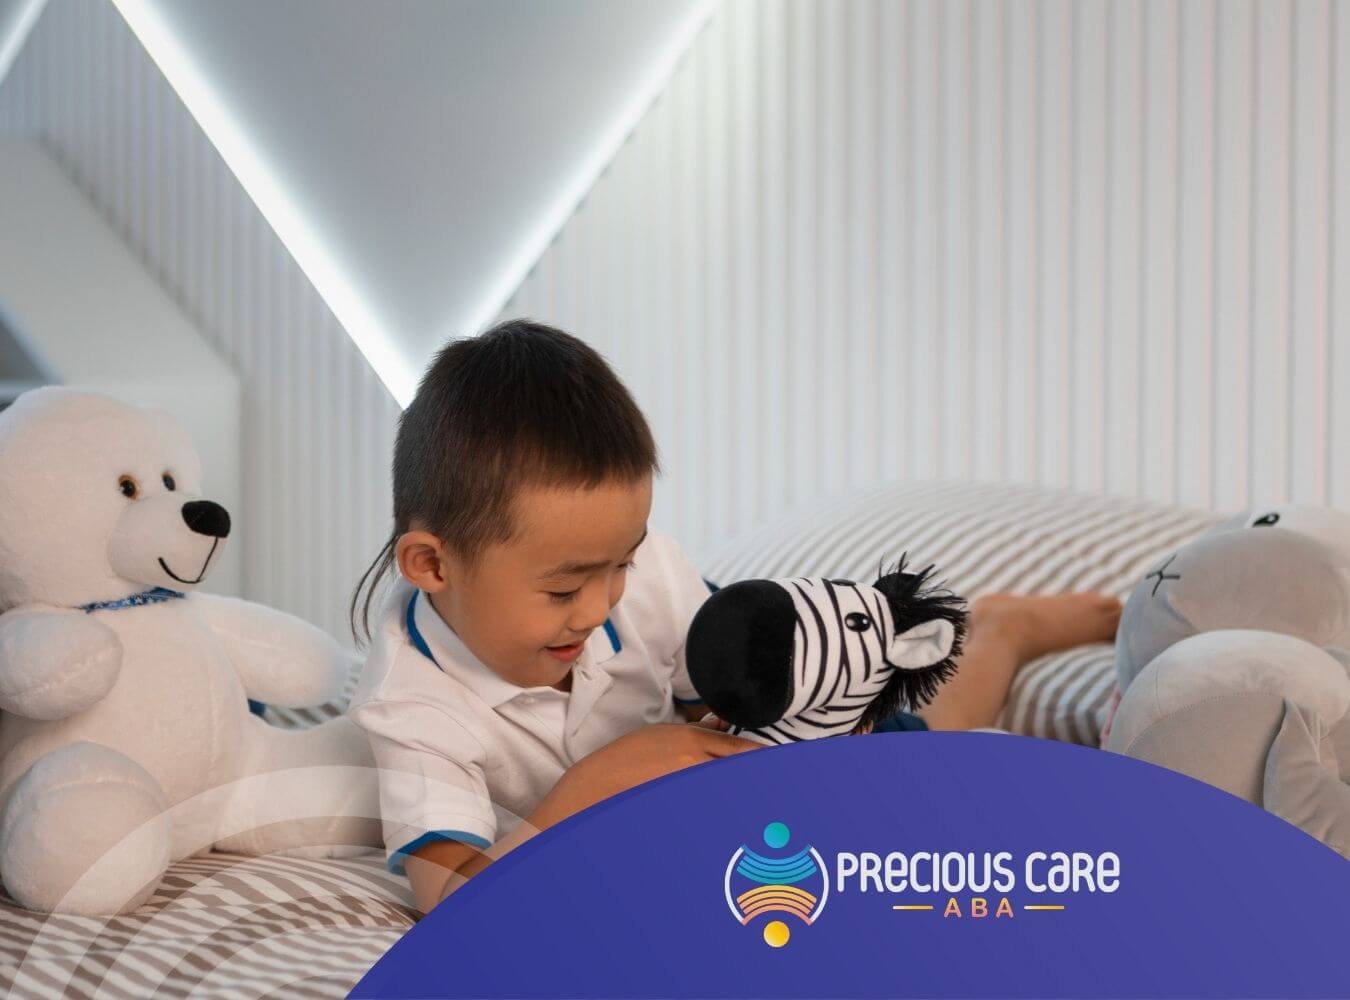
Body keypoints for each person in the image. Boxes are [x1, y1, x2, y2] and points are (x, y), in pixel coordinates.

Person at [348, 320, 1120, 914]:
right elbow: (452, 901)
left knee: (923, 761)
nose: (602, 604)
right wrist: (590, 789)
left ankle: (1000, 632)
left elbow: (733, 689)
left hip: (736, 787)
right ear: (433, 565)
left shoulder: (644, 576)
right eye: (563, 590)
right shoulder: (412, 704)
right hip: (643, 834)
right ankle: (1006, 630)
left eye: (621, 562)